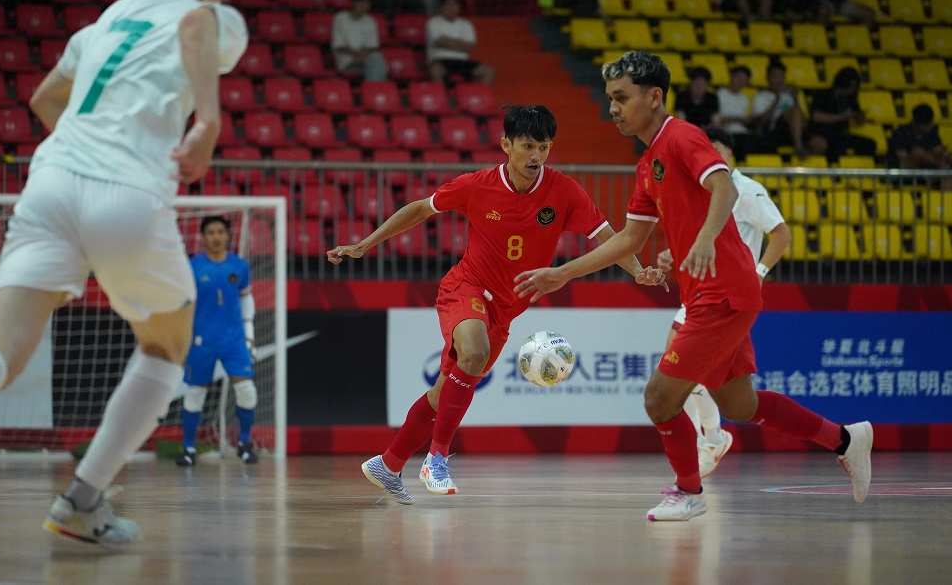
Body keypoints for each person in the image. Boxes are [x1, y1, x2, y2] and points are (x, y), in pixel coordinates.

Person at [0, 0, 246, 546]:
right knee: (167, 348)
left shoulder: (109, 18)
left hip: (52, 181)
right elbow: (196, 25)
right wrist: (209, 122)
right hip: (128, 194)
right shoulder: (209, 11)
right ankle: (82, 501)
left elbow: (43, 100)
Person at [514, 50, 872, 521]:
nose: (613, 108)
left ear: (654, 96)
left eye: (621, 97)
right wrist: (563, 272)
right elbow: (628, 239)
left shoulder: (681, 136)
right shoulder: (647, 165)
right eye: (610, 99)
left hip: (724, 291)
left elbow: (725, 186)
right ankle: (846, 438)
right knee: (740, 404)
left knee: (659, 398)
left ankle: (689, 492)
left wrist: (704, 240)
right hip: (709, 293)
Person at [326, 104, 666, 503]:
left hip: (506, 310)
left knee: (443, 394)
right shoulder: (477, 185)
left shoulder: (564, 192)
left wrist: (638, 270)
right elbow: (421, 208)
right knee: (474, 352)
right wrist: (366, 244)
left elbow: (607, 235)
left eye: (543, 147)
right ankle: (436, 459)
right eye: (527, 146)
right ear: (506, 144)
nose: (536, 156)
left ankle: (389, 463)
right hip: (466, 287)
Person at [655, 126, 791, 478]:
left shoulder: (746, 190)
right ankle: (713, 437)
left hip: (729, 294)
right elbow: (707, 237)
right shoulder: (704, 191)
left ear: (729, 154)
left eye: (715, 150)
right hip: (702, 290)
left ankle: (712, 441)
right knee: (685, 370)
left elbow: (781, 233)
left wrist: (760, 270)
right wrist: (675, 254)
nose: (708, 156)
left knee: (684, 371)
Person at [177, 215, 259, 467]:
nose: (215, 236)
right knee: (194, 394)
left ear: (227, 236)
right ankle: (189, 448)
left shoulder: (239, 265)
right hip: (202, 340)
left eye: (220, 232)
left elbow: (246, 298)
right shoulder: (192, 267)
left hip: (234, 339)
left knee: (246, 391)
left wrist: (249, 333)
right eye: (210, 232)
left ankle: (244, 443)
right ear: (202, 238)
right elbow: (184, 305)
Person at [806, 67, 876, 163]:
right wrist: (843, 116)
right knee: (836, 146)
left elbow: (857, 119)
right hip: (822, 132)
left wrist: (860, 117)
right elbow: (816, 117)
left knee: (869, 145)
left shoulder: (851, 99)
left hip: (840, 134)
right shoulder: (823, 94)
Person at [426, 0, 495, 85]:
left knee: (488, 71)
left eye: (455, 4)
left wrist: (448, 41)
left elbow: (470, 46)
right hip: (441, 60)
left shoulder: (466, 24)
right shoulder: (433, 22)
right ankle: (439, 98)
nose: (451, 7)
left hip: (462, 61)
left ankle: (477, 99)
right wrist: (461, 44)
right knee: (435, 70)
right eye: (448, 4)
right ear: (441, 7)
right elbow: (440, 42)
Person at [887, 105, 951, 189]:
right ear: (916, 122)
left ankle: (947, 199)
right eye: (924, 123)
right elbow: (904, 160)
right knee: (918, 152)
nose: (927, 126)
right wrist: (931, 159)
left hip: (928, 170)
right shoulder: (901, 133)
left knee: (945, 166)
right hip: (904, 172)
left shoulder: (932, 133)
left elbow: (938, 151)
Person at [331, 0, 387, 81]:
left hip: (366, 59)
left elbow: (372, 46)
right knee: (378, 66)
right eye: (362, 3)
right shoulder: (340, 18)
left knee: (376, 60)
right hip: (347, 60)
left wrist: (363, 55)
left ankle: (372, 90)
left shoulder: (371, 21)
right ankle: (375, 92)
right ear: (353, 2)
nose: (365, 6)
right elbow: (339, 44)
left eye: (368, 4)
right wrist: (356, 54)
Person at [751, 61, 805, 156]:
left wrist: (795, 98)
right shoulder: (760, 96)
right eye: (775, 76)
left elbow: (803, 120)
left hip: (789, 131)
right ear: (768, 78)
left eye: (782, 76)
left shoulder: (789, 96)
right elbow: (761, 122)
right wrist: (776, 99)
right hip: (771, 130)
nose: (779, 80)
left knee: (818, 143)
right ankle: (799, 146)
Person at [714, 65, 756, 161]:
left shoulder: (745, 98)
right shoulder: (719, 94)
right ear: (732, 76)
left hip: (743, 133)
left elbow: (748, 119)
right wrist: (737, 119)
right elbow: (717, 120)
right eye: (739, 78)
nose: (741, 82)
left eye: (744, 80)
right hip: (724, 133)